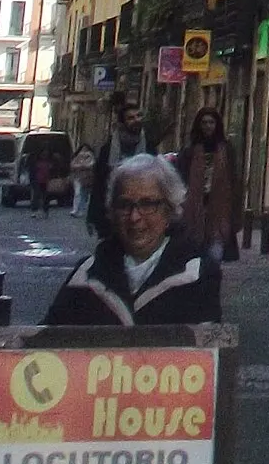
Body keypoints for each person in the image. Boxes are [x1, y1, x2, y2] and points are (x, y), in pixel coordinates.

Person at [44, 152, 222, 326]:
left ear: (169, 210)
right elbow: (44, 342)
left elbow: (208, 348)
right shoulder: (85, 276)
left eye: (147, 204)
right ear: (112, 213)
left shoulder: (197, 275)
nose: (134, 217)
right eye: (124, 205)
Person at [179, 105, 239, 264]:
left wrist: (235, 212)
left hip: (220, 208)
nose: (207, 126)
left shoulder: (226, 150)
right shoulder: (190, 151)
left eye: (211, 122)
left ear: (217, 125)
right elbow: (181, 178)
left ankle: (212, 280)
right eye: (204, 122)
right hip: (194, 207)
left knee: (215, 253)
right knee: (194, 253)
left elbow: (234, 180)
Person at [85, 96, 146, 238]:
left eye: (139, 116)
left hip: (141, 210)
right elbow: (99, 183)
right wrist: (93, 216)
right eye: (131, 118)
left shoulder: (149, 147)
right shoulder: (108, 150)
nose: (136, 120)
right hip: (113, 212)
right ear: (123, 123)